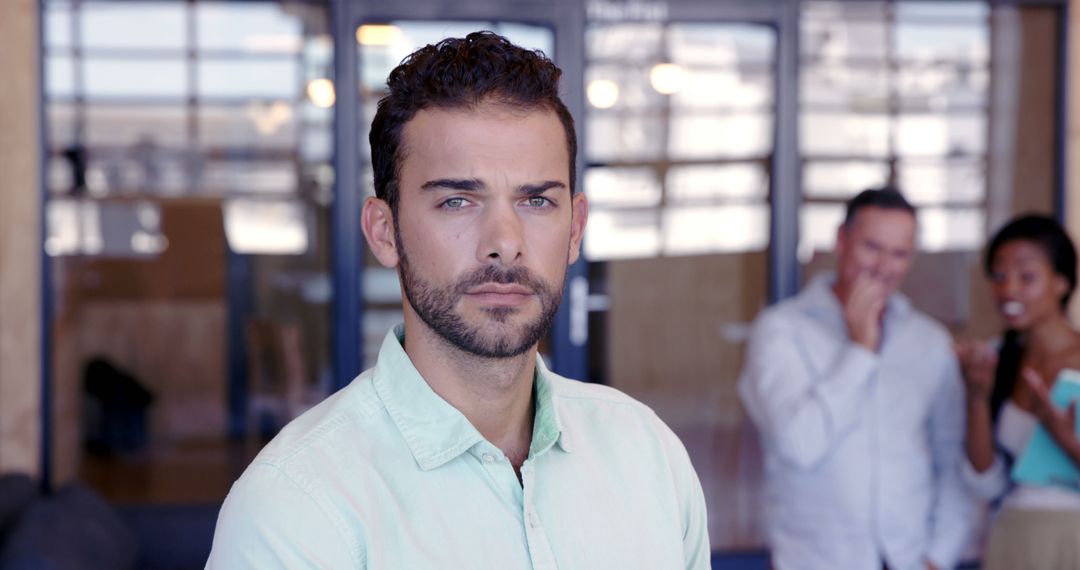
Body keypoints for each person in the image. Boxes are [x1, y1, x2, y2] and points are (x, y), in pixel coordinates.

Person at [205, 31, 709, 569]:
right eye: (457, 200)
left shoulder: (648, 456)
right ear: (383, 231)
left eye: (537, 200)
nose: (504, 242)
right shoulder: (297, 508)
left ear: (576, 227)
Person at [737, 188, 977, 570]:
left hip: (910, 560)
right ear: (841, 240)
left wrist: (940, 555)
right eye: (872, 248)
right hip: (815, 561)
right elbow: (800, 443)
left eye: (899, 254)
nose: (884, 266)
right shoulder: (781, 331)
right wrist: (860, 351)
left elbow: (949, 457)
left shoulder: (929, 342)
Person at [955, 214, 1080, 569]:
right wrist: (977, 397)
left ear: (1061, 282)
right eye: (998, 276)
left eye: (1026, 277)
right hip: (1013, 533)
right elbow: (985, 481)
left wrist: (1067, 441)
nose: (1008, 289)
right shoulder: (999, 360)